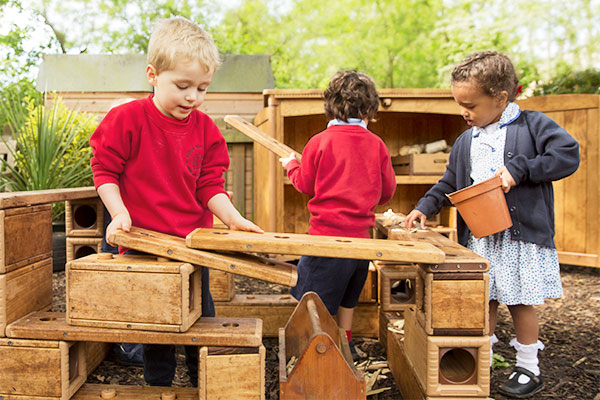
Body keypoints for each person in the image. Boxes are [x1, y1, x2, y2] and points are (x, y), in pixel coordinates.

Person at [89, 16, 262, 387]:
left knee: (202, 316)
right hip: (142, 242)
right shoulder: (127, 120)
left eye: (202, 88)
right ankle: (159, 388)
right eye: (182, 86)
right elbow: (104, 171)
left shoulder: (206, 130)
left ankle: (205, 384)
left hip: (190, 244)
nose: (192, 98)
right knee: (159, 326)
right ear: (152, 75)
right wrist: (118, 213)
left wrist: (233, 219)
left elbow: (210, 185)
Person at [404, 51, 579, 398]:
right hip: (483, 239)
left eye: (470, 104)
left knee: (519, 301)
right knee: (482, 300)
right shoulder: (466, 141)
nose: (463, 112)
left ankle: (528, 367)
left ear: (500, 98)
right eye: (459, 104)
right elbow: (450, 182)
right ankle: (480, 358)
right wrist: (425, 206)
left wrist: (521, 170)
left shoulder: (532, 125)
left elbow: (566, 154)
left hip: (519, 237)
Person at [279, 70, 396, 360]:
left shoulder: (319, 142)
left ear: (329, 106)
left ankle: (318, 350)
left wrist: (291, 166)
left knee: (315, 301)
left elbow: (305, 184)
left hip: (325, 240)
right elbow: (387, 192)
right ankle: (346, 346)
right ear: (369, 109)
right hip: (360, 243)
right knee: (348, 298)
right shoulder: (377, 144)